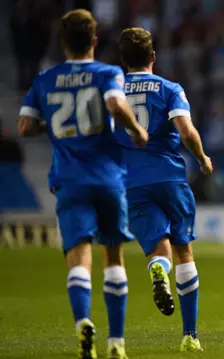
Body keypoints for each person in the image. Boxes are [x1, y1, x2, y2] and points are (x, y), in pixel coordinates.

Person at [17, 10, 148, 359]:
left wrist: (59, 127)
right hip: (108, 178)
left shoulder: (45, 79)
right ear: (94, 40)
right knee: (114, 255)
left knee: (77, 255)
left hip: (70, 181)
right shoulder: (108, 73)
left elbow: (25, 127)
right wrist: (136, 130)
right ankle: (116, 342)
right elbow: (115, 104)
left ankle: (82, 322)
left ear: (63, 43)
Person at [114, 28, 213, 352]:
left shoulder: (111, 92)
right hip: (170, 179)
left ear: (123, 61)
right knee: (184, 249)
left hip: (132, 183)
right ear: (153, 57)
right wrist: (201, 157)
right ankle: (190, 336)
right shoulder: (170, 88)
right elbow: (186, 130)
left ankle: (158, 268)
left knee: (159, 248)